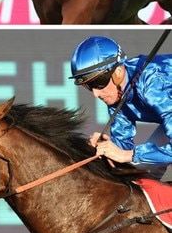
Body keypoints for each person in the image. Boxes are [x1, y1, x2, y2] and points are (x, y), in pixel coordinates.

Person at [70, 35, 172, 179]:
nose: (95, 93)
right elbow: (123, 151)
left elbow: (126, 155)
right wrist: (108, 147)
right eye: (88, 86)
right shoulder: (117, 95)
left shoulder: (152, 83)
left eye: (98, 82)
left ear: (117, 73)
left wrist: (125, 155)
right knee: (143, 171)